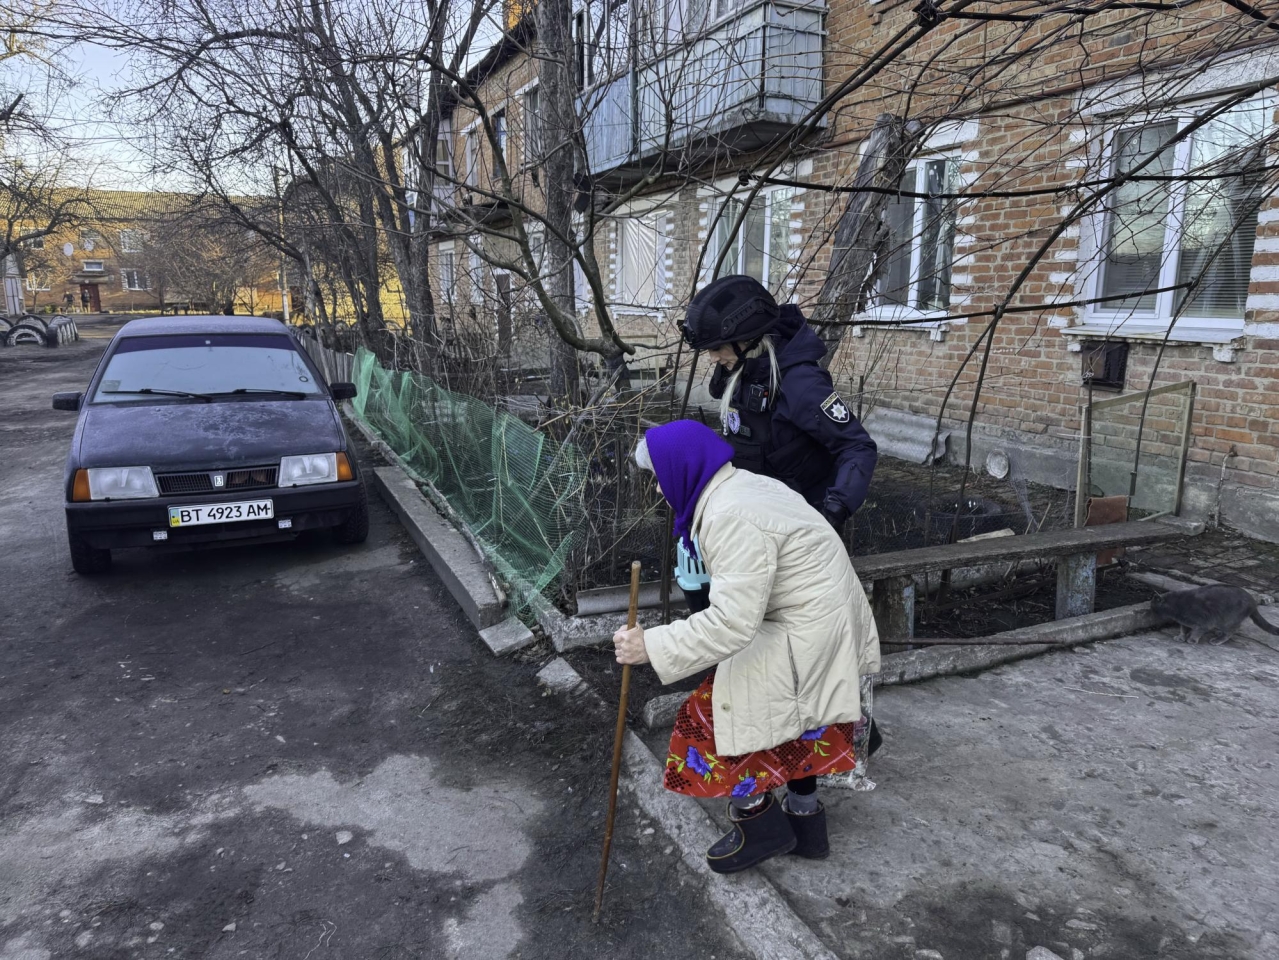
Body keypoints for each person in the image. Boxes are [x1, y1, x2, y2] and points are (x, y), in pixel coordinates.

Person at [614, 420, 881, 874]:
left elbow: (732, 625)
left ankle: (760, 825)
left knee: (715, 718)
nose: (659, 488)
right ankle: (806, 825)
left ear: (682, 468)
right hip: (820, 625)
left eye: (659, 475)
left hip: (806, 631)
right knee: (800, 724)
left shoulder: (729, 516)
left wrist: (650, 646)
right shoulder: (743, 486)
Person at [676, 274, 878, 612]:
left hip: (797, 536)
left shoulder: (800, 384)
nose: (712, 358)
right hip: (753, 525)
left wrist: (831, 514)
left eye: (716, 348)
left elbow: (857, 447)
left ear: (746, 337)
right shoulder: (744, 371)